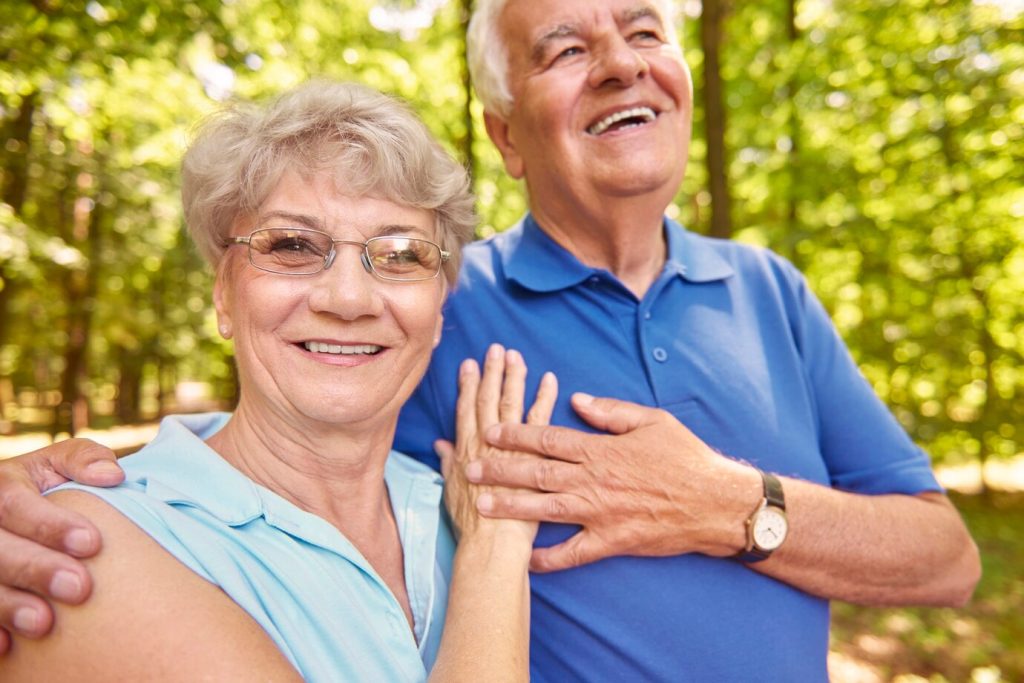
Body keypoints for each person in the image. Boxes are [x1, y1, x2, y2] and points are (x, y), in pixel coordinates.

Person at [0, 1, 981, 680]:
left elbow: (945, 560)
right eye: (563, 48)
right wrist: (57, 484)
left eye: (645, 32)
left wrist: (725, 502)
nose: (621, 62)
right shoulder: (442, 299)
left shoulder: (771, 291)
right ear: (506, 135)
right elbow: (289, 435)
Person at [0, 80, 560, 681]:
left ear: (439, 307)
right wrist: (497, 547)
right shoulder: (85, 541)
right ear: (223, 294)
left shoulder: (449, 500)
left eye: (400, 254)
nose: (348, 299)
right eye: (292, 245)